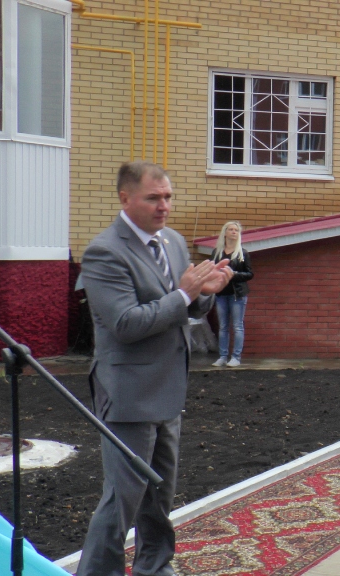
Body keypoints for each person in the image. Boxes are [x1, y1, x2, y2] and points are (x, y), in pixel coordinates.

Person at [77, 161, 233, 576]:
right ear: (125, 198)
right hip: (128, 393)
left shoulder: (173, 241)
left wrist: (203, 294)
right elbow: (126, 324)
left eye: (168, 197)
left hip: (168, 387)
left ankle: (155, 567)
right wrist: (184, 295)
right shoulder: (104, 252)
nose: (164, 206)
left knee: (159, 495)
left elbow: (184, 306)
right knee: (122, 500)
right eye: (153, 198)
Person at [211, 221, 254, 367]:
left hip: (237, 294)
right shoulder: (217, 252)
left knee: (237, 326)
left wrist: (233, 274)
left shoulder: (242, 253)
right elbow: (211, 270)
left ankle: (236, 357)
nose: (234, 232)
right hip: (221, 294)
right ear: (225, 232)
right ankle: (222, 356)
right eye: (231, 229)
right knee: (223, 326)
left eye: (236, 230)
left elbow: (250, 274)